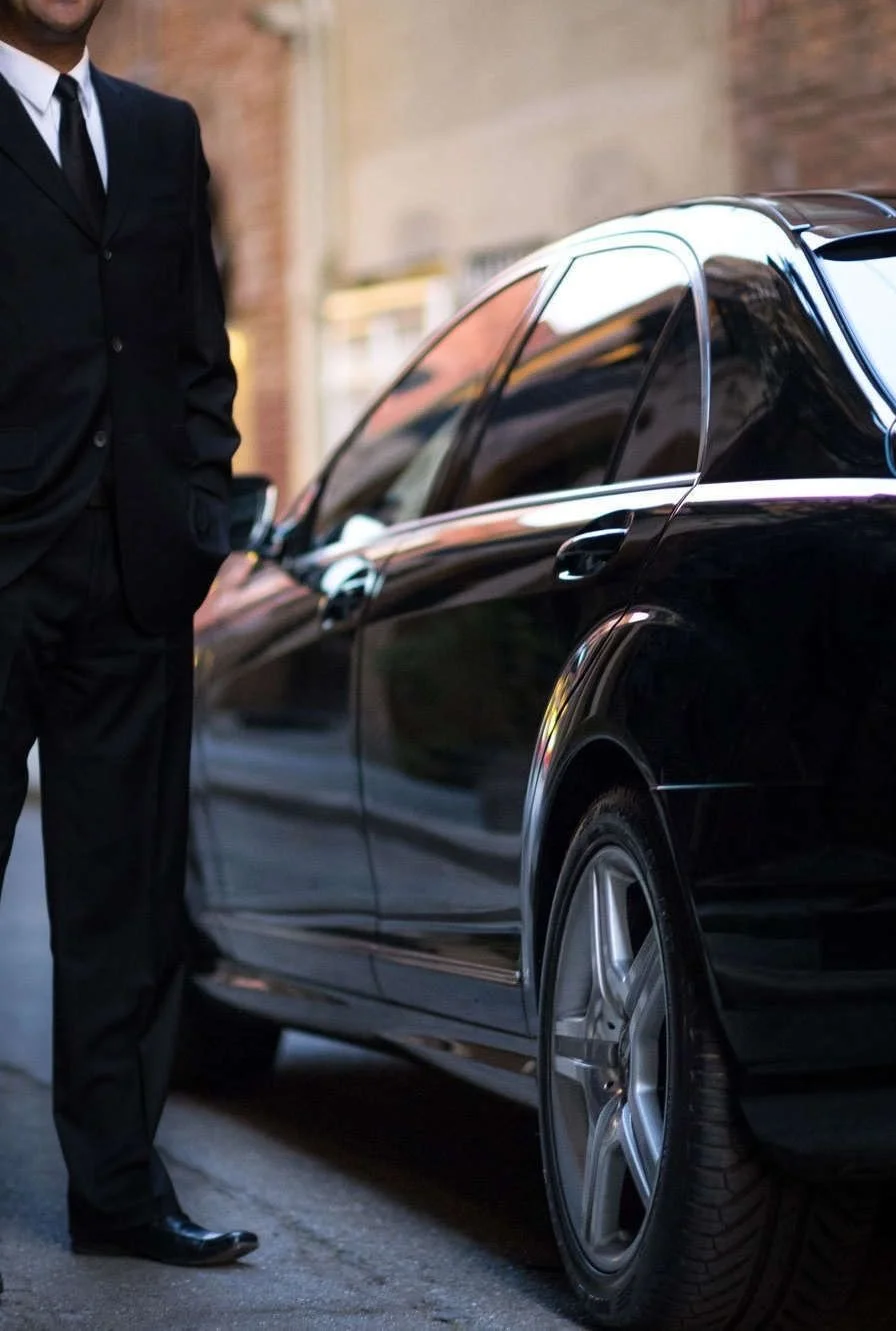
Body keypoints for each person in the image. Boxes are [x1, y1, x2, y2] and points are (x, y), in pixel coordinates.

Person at [0, 0, 257, 1273]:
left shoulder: (162, 133)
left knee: (123, 908)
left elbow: (193, 346)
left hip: (133, 579)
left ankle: (118, 1191)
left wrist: (199, 509)